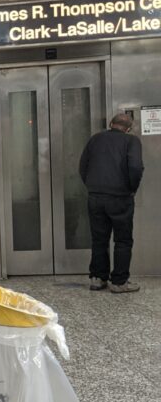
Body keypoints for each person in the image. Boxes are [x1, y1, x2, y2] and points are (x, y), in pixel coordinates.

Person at [79, 113, 144, 292]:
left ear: (110, 123)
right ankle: (119, 282)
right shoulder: (131, 141)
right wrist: (132, 188)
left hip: (96, 197)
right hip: (120, 198)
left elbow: (82, 166)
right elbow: (135, 167)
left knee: (99, 239)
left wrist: (92, 186)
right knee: (123, 240)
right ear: (128, 128)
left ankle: (98, 278)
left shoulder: (95, 139)